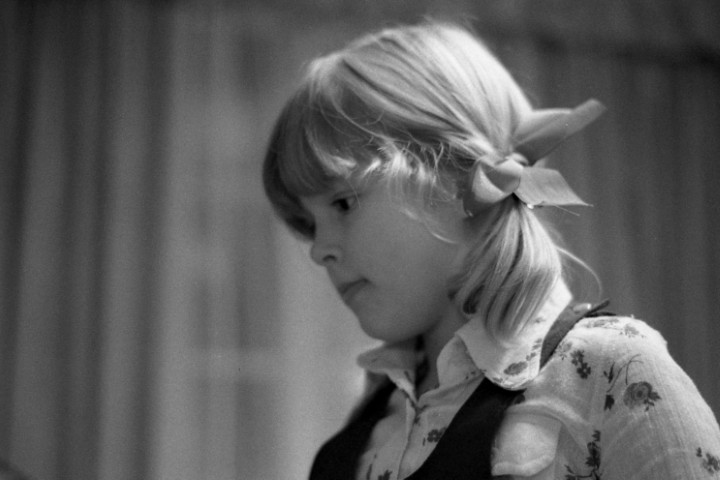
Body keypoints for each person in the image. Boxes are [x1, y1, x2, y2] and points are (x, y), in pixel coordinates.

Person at [262, 21, 720, 480]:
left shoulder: (613, 373)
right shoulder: (368, 424)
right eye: (308, 224)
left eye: (342, 203)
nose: (318, 250)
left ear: (455, 175)